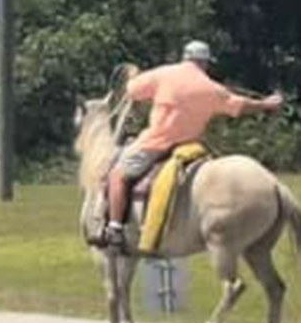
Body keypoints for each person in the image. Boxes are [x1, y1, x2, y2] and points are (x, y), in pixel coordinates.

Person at [104, 40, 283, 249]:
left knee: (117, 175)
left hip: (155, 144)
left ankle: (115, 228)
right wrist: (266, 104)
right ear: (205, 63)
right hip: (190, 147)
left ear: (185, 57)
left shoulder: (164, 73)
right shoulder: (211, 87)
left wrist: (135, 77)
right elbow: (240, 105)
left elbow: (132, 91)